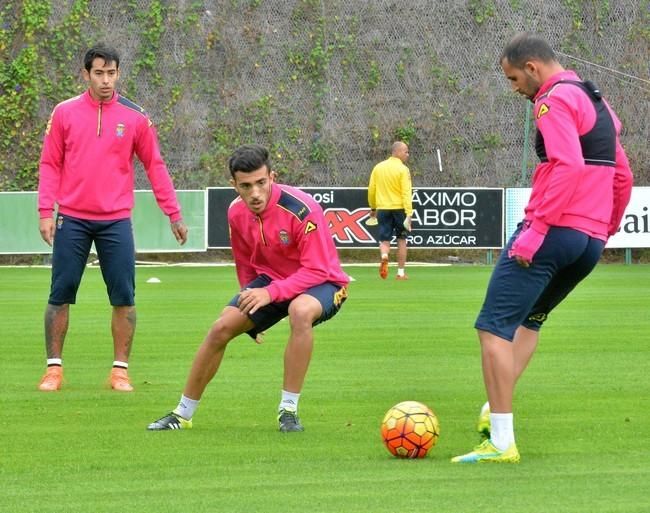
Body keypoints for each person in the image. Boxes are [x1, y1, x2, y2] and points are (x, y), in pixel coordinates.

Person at [451, 33, 633, 463]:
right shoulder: (597, 101)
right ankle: (492, 410)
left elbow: (567, 165)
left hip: (552, 232)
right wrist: (603, 230)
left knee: (492, 328)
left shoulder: (551, 100)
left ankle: (500, 443)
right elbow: (621, 175)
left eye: (513, 78)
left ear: (532, 68)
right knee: (529, 322)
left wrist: (537, 230)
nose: (514, 87)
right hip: (586, 242)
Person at [147, 144, 349, 432]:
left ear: (272, 177)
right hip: (272, 282)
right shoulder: (235, 212)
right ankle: (182, 414)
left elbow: (316, 269)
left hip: (323, 282)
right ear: (234, 185)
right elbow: (245, 262)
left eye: (261, 183)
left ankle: (288, 412)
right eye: (246, 186)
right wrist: (253, 308)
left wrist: (270, 294)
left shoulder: (302, 209)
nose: (255, 193)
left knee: (300, 311)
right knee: (220, 328)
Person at [37, 44, 188, 392]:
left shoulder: (135, 117)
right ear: (86, 74)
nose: (106, 80)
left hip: (116, 220)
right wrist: (46, 211)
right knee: (60, 293)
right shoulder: (64, 113)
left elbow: (155, 165)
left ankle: (120, 371)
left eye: (112, 73)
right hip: (71, 218)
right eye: (99, 73)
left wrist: (174, 213)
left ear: (119, 74)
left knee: (124, 296)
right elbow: (50, 163)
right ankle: (54, 370)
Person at [367, 141, 413, 280]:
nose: (407, 155)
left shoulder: (378, 167)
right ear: (397, 152)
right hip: (399, 208)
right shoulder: (403, 169)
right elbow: (406, 192)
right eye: (405, 151)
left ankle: (384, 256)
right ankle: (400, 273)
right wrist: (409, 213)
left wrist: (373, 207)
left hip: (383, 209)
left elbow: (371, 189)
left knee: (384, 239)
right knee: (402, 240)